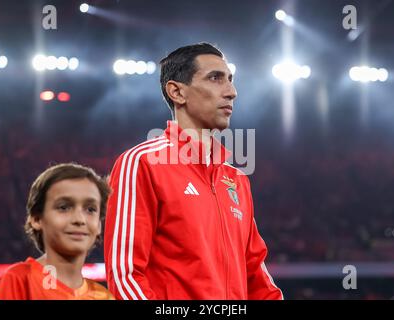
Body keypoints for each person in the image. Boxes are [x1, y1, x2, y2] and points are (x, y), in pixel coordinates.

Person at [104, 42, 283, 300]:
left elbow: (255, 275)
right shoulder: (142, 163)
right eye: (215, 78)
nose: (232, 92)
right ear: (177, 92)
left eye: (230, 80)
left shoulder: (236, 179)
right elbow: (125, 276)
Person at [0, 163, 114, 300]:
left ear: (99, 224)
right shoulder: (20, 280)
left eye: (90, 209)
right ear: (37, 219)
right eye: (63, 207)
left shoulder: (103, 296)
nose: (80, 219)